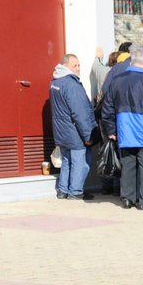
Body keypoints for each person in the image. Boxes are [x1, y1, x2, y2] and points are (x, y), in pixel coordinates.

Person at [101, 45, 143, 210]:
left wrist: (111, 130)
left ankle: (127, 198)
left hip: (124, 128)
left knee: (128, 163)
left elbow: (107, 107)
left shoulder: (117, 80)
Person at [50, 53, 97, 200]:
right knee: (80, 163)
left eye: (78, 65)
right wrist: (88, 135)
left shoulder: (56, 82)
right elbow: (80, 113)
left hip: (61, 131)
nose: (78, 68)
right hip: (74, 132)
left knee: (67, 161)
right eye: (74, 65)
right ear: (65, 66)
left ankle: (63, 190)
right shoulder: (72, 85)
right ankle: (75, 191)